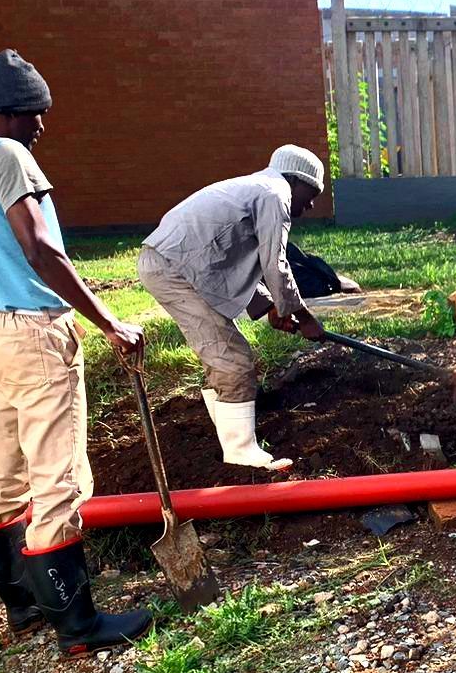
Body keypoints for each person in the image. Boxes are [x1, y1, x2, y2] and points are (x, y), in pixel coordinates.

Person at [0, 49, 152, 656]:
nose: (41, 129)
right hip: (34, 332)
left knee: (2, 472)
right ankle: (78, 626)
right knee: (56, 475)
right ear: (10, 110)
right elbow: (41, 249)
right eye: (37, 114)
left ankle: (24, 607)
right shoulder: (8, 157)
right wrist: (109, 320)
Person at [138, 147, 328, 471]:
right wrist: (305, 317)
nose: (310, 206)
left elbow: (225, 261)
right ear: (295, 180)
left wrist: (270, 307)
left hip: (177, 264)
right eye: (311, 195)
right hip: (174, 268)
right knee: (233, 359)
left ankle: (229, 438)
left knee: (225, 353)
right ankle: (241, 456)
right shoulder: (274, 194)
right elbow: (275, 264)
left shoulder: (257, 189)